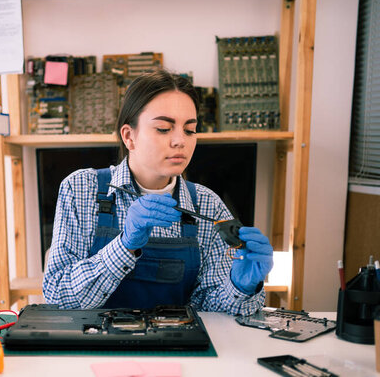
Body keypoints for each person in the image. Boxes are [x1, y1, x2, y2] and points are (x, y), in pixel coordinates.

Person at [42, 70, 273, 315]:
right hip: (97, 350)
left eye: (190, 130)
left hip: (177, 350)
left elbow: (212, 310)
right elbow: (57, 297)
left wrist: (242, 287)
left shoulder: (207, 205)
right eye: (164, 128)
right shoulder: (81, 189)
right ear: (129, 137)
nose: (180, 141)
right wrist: (124, 247)